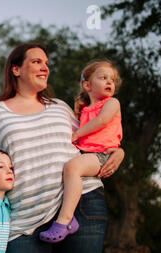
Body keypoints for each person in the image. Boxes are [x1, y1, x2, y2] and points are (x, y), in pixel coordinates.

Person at [0, 42, 125, 253]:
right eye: (36, 62)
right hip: (26, 217)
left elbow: (93, 140)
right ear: (16, 69)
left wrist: (119, 152)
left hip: (83, 203)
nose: (45, 67)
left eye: (46, 63)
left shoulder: (60, 107)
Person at [39, 60, 123, 243]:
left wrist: (76, 134)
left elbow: (102, 121)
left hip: (102, 154)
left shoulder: (112, 103)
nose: (110, 82)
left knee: (73, 168)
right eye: (103, 78)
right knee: (70, 172)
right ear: (87, 85)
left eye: (113, 80)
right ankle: (70, 213)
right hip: (88, 154)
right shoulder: (84, 110)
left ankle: (64, 220)